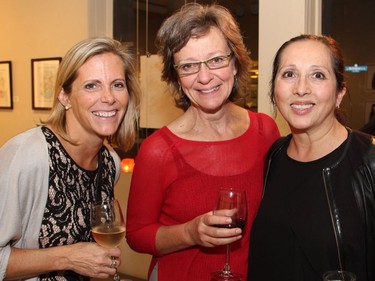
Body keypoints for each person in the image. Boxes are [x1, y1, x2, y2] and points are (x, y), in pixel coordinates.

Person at [126, 3, 280, 281]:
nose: (205, 76)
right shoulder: (158, 150)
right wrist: (191, 232)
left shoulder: (265, 131)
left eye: (216, 60)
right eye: (188, 66)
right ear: (176, 77)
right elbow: (137, 236)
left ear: (235, 62)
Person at [0, 37, 140, 281]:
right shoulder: (28, 155)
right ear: (64, 96)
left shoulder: (110, 164)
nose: (108, 97)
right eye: (91, 86)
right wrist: (67, 257)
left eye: (117, 84)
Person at [248, 34, 375, 281]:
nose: (301, 88)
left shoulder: (369, 160)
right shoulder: (274, 155)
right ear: (274, 90)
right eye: (289, 74)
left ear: (340, 93)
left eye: (318, 75)